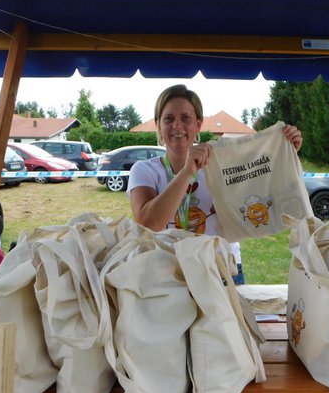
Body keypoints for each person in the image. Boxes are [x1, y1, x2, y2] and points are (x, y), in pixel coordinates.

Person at [126, 84, 302, 284]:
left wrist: (286, 153)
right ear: (158, 125)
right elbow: (147, 224)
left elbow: (266, 189)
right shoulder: (144, 170)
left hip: (221, 271)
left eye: (185, 118)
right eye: (168, 119)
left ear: (198, 125)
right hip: (169, 274)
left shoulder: (221, 164)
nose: (177, 125)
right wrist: (186, 173)